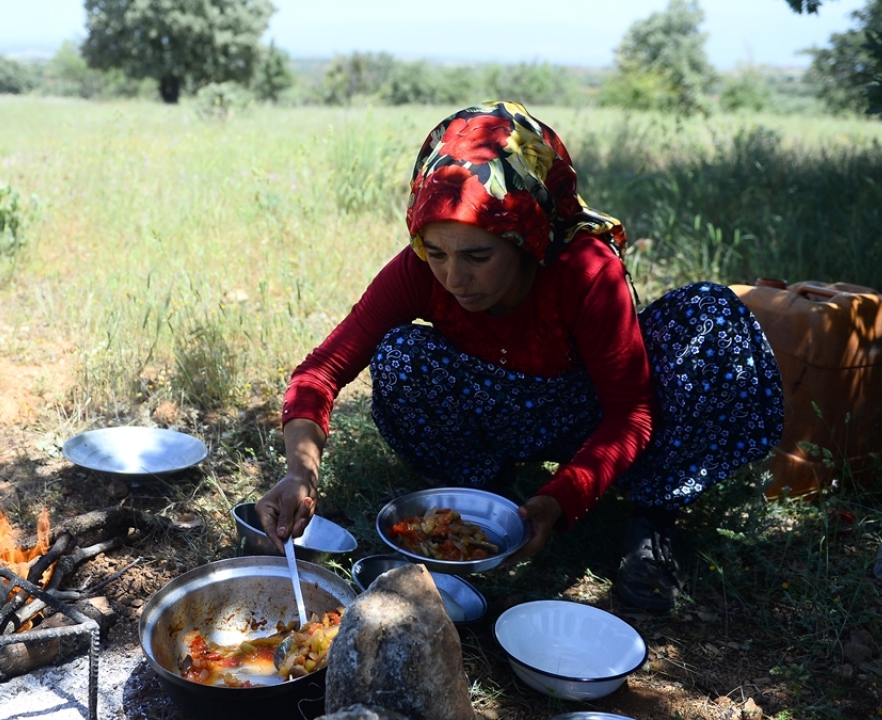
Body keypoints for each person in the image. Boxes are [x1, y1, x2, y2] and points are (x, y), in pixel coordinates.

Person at [256, 101, 783, 611]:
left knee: (709, 319)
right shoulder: (420, 271)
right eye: (436, 253)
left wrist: (560, 498)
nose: (453, 278)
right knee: (401, 354)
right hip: (501, 407)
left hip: (590, 411)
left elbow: (632, 412)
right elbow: (322, 370)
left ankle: (650, 515)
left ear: (527, 236)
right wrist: (300, 474)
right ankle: (482, 495)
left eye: (477, 256)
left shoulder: (584, 271)